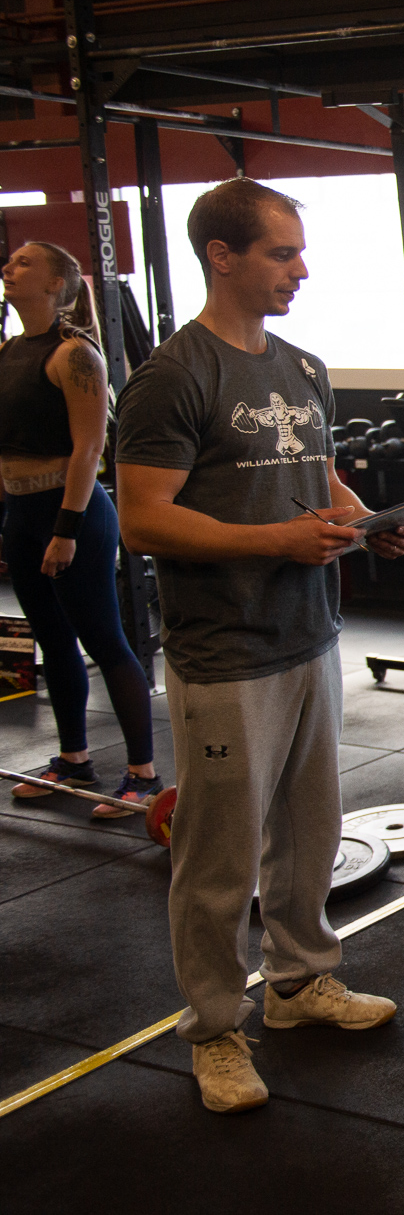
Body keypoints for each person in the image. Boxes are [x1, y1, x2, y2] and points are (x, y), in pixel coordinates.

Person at [115, 177, 404, 1115]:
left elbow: (316, 476)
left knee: (310, 831)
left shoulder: (302, 367)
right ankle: (213, 1028)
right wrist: (275, 544)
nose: (301, 269)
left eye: (298, 252)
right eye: (282, 253)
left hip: (307, 634)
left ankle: (297, 984)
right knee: (219, 855)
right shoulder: (173, 377)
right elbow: (140, 519)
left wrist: (367, 524)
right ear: (223, 256)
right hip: (223, 651)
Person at [0, 241, 161, 814]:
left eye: (24, 262)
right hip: (22, 514)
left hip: (74, 515)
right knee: (50, 636)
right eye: (10, 260)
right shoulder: (7, 350)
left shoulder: (74, 355)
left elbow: (91, 446)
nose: (9, 267)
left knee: (104, 638)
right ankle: (74, 760)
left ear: (55, 286)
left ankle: (141, 773)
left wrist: (65, 529)